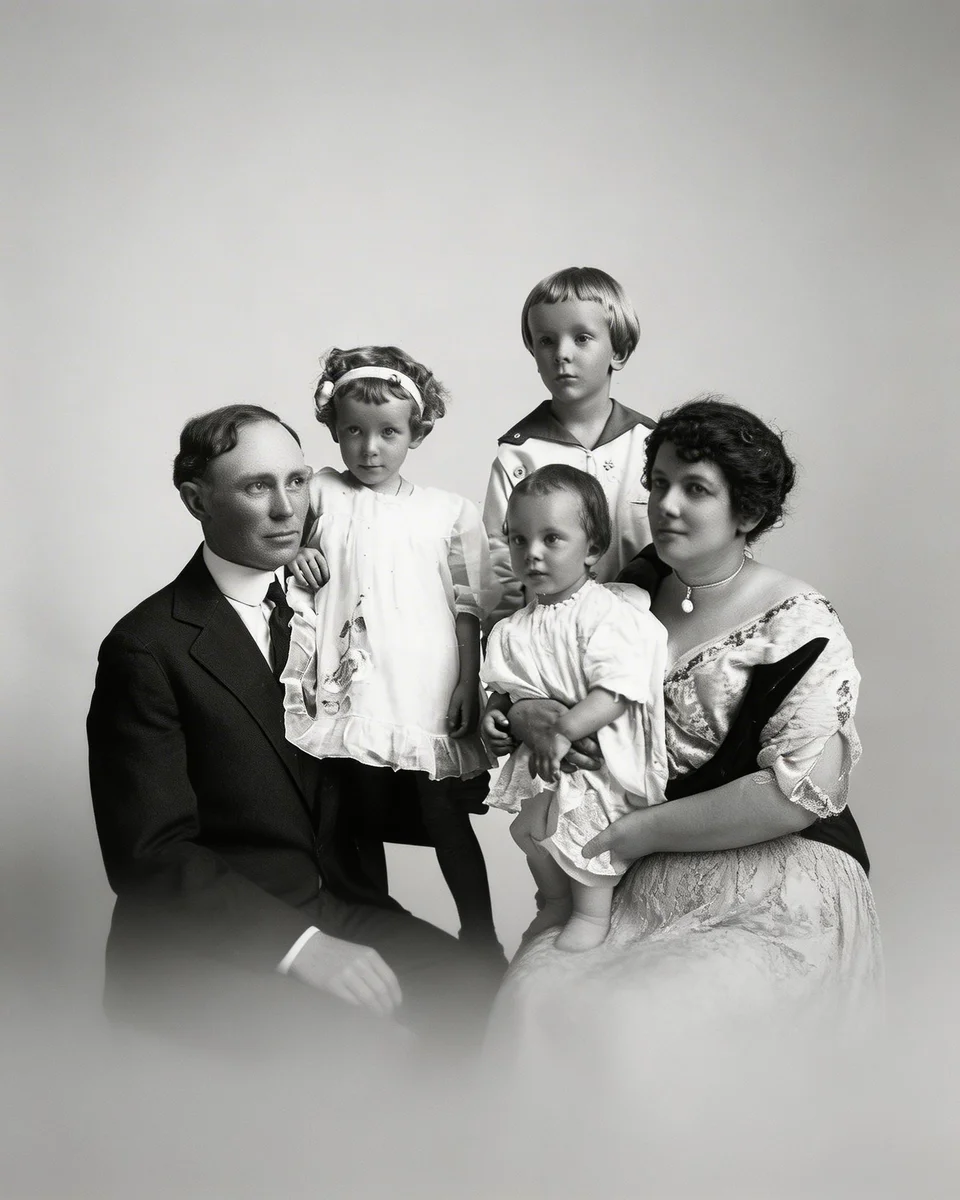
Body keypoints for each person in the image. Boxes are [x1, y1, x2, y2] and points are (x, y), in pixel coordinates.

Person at [485, 397, 882, 1079]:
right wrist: (523, 713)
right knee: (535, 994)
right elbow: (538, 664)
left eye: (695, 489)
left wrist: (638, 833)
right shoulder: (623, 589)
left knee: (635, 1015)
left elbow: (798, 792)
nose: (666, 505)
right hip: (629, 870)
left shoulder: (798, 621)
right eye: (660, 483)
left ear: (746, 512)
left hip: (774, 869)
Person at [87, 404, 494, 1063]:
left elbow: (335, 778)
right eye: (257, 486)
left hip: (343, 904)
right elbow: (148, 853)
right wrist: (301, 947)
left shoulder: (334, 603)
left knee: (485, 994)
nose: (286, 508)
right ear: (196, 501)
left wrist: (462, 773)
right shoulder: (146, 648)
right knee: (342, 1061)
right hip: (213, 947)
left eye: (297, 481)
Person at [281, 346, 501, 954]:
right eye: (354, 431)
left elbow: (468, 607)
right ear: (334, 428)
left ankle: (481, 937)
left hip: (425, 682)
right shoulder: (321, 493)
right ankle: (376, 928)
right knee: (357, 813)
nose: (370, 448)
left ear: (417, 433)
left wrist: (468, 681)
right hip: (353, 683)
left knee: (442, 812)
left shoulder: (448, 513)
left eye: (388, 433)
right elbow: (278, 542)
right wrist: (298, 553)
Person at [480, 465, 668, 951]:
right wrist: (495, 716)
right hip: (543, 765)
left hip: (595, 761)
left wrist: (563, 731)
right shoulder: (511, 628)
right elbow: (506, 687)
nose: (532, 552)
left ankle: (590, 914)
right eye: (518, 539)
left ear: (592, 548)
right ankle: (555, 899)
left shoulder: (604, 612)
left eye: (551, 539)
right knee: (531, 832)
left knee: (585, 832)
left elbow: (615, 692)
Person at [481, 266, 656, 628]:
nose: (562, 353)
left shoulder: (650, 445)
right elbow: (499, 562)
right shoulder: (518, 455)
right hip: (546, 638)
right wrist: (503, 641)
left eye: (581, 338)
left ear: (619, 351)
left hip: (644, 631)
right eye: (546, 340)